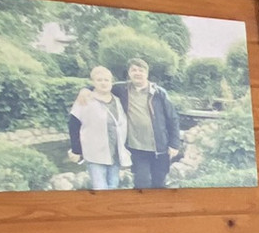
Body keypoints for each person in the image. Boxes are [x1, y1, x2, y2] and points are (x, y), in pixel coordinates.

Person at [113, 57, 183, 188]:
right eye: (134, 70)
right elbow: (100, 86)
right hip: (137, 148)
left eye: (141, 70)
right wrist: (85, 91)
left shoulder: (159, 93)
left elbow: (172, 118)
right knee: (141, 182)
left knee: (159, 183)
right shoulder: (121, 90)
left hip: (160, 147)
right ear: (129, 73)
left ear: (147, 73)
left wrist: (174, 144)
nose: (137, 73)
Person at [67, 64, 129, 190]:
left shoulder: (118, 99)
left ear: (111, 82)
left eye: (106, 80)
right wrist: (76, 150)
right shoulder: (85, 99)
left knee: (113, 186)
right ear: (93, 82)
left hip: (115, 152)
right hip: (95, 153)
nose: (103, 83)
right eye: (99, 80)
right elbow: (73, 125)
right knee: (100, 188)